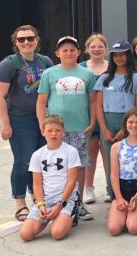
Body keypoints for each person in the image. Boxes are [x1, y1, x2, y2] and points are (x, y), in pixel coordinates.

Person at [0, 24, 53, 222]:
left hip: (42, 118)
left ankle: (37, 197)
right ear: (15, 42)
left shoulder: (45, 61)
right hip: (20, 119)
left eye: (30, 38)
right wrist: (4, 124)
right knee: (23, 161)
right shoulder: (9, 64)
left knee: (40, 161)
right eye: (21, 39)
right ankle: (20, 202)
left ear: (37, 40)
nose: (26, 42)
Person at [37, 35, 96, 222]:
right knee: (58, 165)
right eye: (64, 50)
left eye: (72, 50)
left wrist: (92, 121)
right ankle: (59, 201)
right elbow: (41, 101)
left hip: (80, 127)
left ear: (79, 52)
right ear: (57, 53)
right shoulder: (50, 74)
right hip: (57, 130)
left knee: (77, 166)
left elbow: (92, 100)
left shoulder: (87, 74)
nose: (68, 53)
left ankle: (78, 203)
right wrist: (42, 123)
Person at [94, 40, 137, 203]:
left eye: (122, 54)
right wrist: (103, 129)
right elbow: (98, 106)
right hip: (108, 121)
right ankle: (113, 192)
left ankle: (134, 193)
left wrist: (126, 129)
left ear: (128, 56)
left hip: (130, 122)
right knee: (112, 160)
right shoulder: (104, 78)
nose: (119, 58)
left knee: (130, 158)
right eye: (115, 55)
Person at [20, 114, 80, 242]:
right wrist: (41, 205)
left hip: (65, 199)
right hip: (46, 199)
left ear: (63, 132)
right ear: (43, 132)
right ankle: (50, 217)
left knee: (57, 233)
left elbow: (71, 181)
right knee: (25, 235)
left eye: (58, 130)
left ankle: (71, 214)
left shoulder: (71, 151)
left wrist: (59, 205)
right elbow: (36, 184)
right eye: (50, 130)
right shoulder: (37, 155)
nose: (54, 134)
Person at [107, 108, 137, 236]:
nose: (134, 125)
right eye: (131, 122)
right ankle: (119, 212)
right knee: (114, 229)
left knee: (133, 228)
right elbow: (114, 174)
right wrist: (118, 197)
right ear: (125, 124)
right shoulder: (116, 147)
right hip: (121, 189)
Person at [80, 33, 108, 204]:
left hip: (107, 116)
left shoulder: (112, 67)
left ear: (106, 49)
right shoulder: (81, 68)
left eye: (100, 46)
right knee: (90, 154)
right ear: (87, 49)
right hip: (88, 116)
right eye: (93, 46)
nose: (96, 49)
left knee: (107, 153)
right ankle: (88, 189)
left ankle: (109, 188)